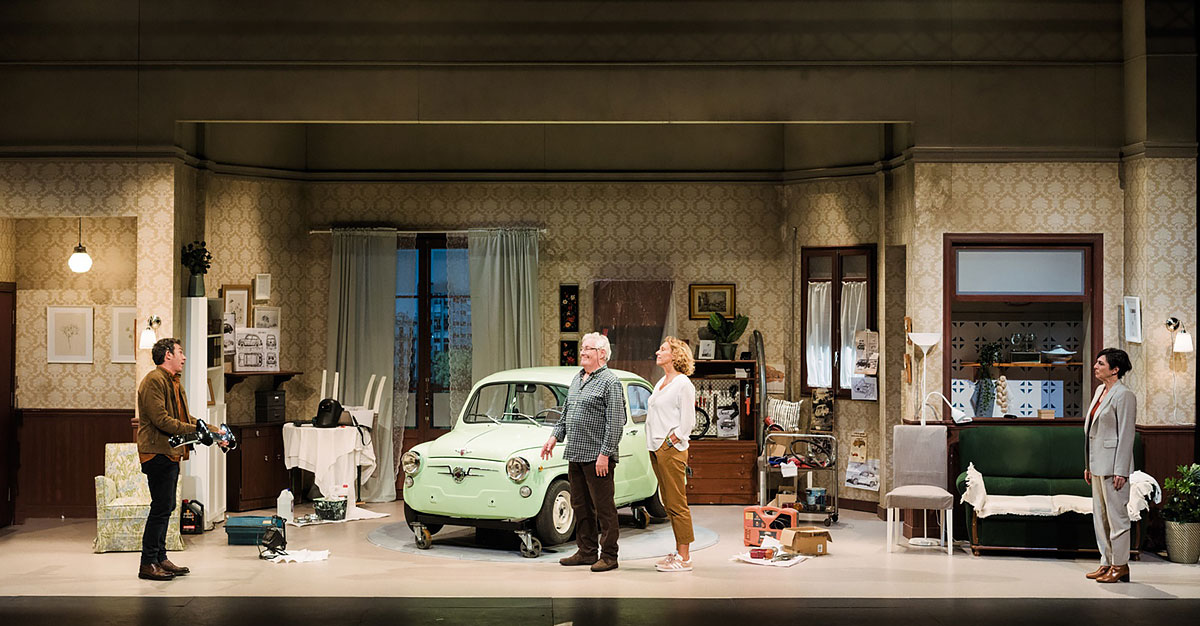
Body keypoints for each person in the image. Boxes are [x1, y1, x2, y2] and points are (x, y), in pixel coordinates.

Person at [541, 331, 627, 572]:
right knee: (580, 506)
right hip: (576, 453)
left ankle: (609, 556)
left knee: (604, 509)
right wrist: (554, 437)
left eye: (588, 348)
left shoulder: (610, 382)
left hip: (597, 457)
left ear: (602, 354)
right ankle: (587, 552)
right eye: (582, 348)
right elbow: (566, 413)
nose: (582, 352)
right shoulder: (578, 379)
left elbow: (615, 422)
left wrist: (605, 454)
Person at [135, 338, 201, 581]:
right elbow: (161, 420)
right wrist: (196, 431)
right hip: (156, 452)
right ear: (167, 355)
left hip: (170, 452)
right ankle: (147, 563)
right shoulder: (154, 380)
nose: (184, 357)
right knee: (161, 507)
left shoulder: (173, 382)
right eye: (180, 352)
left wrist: (209, 429)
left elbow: (183, 418)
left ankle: (160, 558)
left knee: (167, 506)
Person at [1083, 347, 1136, 584]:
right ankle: (1106, 562)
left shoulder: (1124, 395)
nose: (1095, 366)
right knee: (1101, 518)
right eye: (1096, 362)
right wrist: (1088, 465)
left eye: (1101, 363)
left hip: (1114, 467)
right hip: (1097, 465)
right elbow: (1092, 431)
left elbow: (1126, 434)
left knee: (1117, 519)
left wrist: (1121, 470)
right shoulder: (1099, 391)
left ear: (1115, 369)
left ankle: (1120, 565)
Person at [646, 336, 697, 572]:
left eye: (663, 349)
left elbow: (688, 422)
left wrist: (670, 441)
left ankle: (684, 558)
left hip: (670, 450)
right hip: (656, 448)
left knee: (677, 503)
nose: (658, 352)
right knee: (668, 502)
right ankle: (678, 552)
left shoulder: (683, 384)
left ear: (675, 355)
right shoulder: (661, 382)